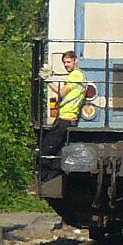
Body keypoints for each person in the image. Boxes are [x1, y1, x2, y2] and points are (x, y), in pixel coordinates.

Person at [39, 50, 86, 181]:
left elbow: (61, 93)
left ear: (75, 61)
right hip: (68, 119)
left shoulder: (76, 75)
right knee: (58, 152)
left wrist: (48, 80)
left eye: (68, 62)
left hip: (65, 119)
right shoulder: (78, 75)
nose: (66, 65)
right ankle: (51, 179)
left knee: (45, 150)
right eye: (64, 62)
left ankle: (43, 180)